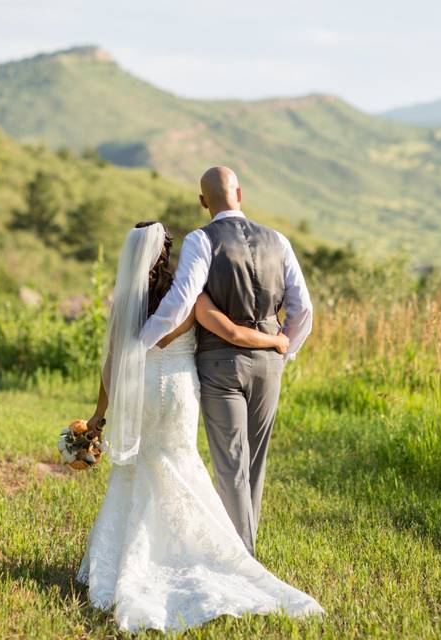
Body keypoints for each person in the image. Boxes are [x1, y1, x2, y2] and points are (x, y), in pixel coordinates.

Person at [77, 217, 321, 633]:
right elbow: (229, 331)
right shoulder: (187, 294)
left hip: (140, 393)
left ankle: (131, 559)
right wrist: (277, 341)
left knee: (137, 468)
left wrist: (98, 418)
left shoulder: (126, 304)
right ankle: (197, 552)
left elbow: (111, 365)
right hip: (178, 391)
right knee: (180, 464)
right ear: (168, 253)